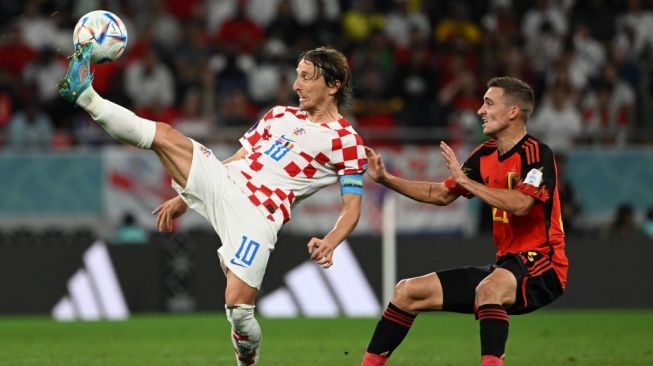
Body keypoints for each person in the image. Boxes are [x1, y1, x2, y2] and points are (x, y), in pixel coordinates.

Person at [58, 44, 366, 366]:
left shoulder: (347, 141)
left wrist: (332, 241)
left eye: (306, 77)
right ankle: (86, 95)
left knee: (239, 312)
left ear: (333, 85)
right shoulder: (278, 116)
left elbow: (352, 207)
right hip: (227, 182)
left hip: (259, 215)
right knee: (163, 135)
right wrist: (187, 196)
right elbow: (240, 159)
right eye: (297, 76)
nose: (295, 85)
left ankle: (247, 356)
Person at [361, 76, 568, 366]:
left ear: (512, 112)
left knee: (488, 290)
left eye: (488, 103)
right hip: (507, 264)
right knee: (407, 292)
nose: (480, 110)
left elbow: (522, 205)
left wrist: (467, 183)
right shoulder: (484, 155)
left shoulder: (536, 153)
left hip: (544, 264)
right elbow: (441, 194)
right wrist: (385, 179)